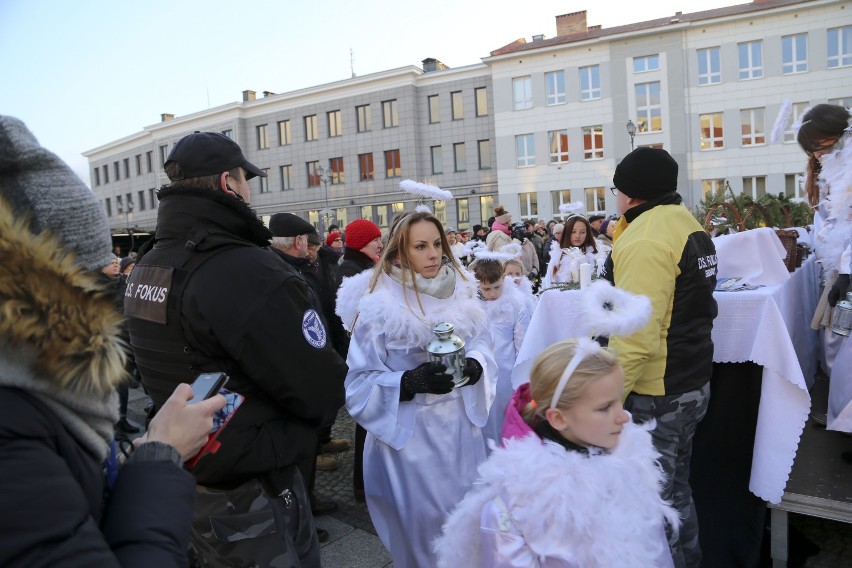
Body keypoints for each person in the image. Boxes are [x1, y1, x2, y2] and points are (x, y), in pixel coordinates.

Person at [0, 114, 225, 566]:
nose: (101, 307)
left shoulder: (40, 386)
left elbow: (67, 505)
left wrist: (127, 462)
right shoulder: (15, 420)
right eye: (88, 279)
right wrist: (161, 458)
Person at [124, 131, 347, 566]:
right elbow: (319, 387)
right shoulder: (248, 269)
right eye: (247, 179)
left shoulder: (148, 263)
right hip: (251, 486)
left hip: (184, 471)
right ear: (229, 184)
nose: (249, 191)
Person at [340, 210, 497, 567]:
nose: (433, 254)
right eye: (421, 246)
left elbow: (485, 346)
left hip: (462, 431)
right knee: (426, 530)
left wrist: (476, 365)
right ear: (399, 253)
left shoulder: (462, 293)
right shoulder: (379, 308)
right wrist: (408, 383)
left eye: (437, 244)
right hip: (412, 442)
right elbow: (359, 382)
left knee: (467, 516)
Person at [435, 339, 679, 567]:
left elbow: (654, 550)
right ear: (559, 418)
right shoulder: (515, 507)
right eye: (605, 407)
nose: (623, 416)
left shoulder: (630, 463)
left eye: (619, 400)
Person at [603, 147, 717, 567]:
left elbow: (634, 334)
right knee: (676, 493)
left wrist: (606, 398)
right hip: (690, 382)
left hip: (659, 392)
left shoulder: (648, 237)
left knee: (653, 505)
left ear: (630, 194)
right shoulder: (684, 222)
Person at [798, 103, 851, 379]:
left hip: (846, 269)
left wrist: (847, 271)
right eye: (813, 150)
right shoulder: (826, 170)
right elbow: (826, 221)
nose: (818, 154)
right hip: (834, 266)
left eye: (822, 146)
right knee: (835, 339)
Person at [334, 217, 383, 502]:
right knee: (367, 422)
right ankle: (364, 486)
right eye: (376, 238)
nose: (380, 243)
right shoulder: (353, 272)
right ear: (363, 241)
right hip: (362, 355)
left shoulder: (362, 267)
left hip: (363, 352)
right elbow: (352, 320)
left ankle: (366, 483)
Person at [473, 258, 531, 449]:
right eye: (486, 289)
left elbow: (522, 344)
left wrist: (522, 377)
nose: (492, 294)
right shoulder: (473, 306)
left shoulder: (516, 304)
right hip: (480, 372)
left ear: (504, 279)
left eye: (497, 287)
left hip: (506, 373)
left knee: (505, 414)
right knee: (484, 416)